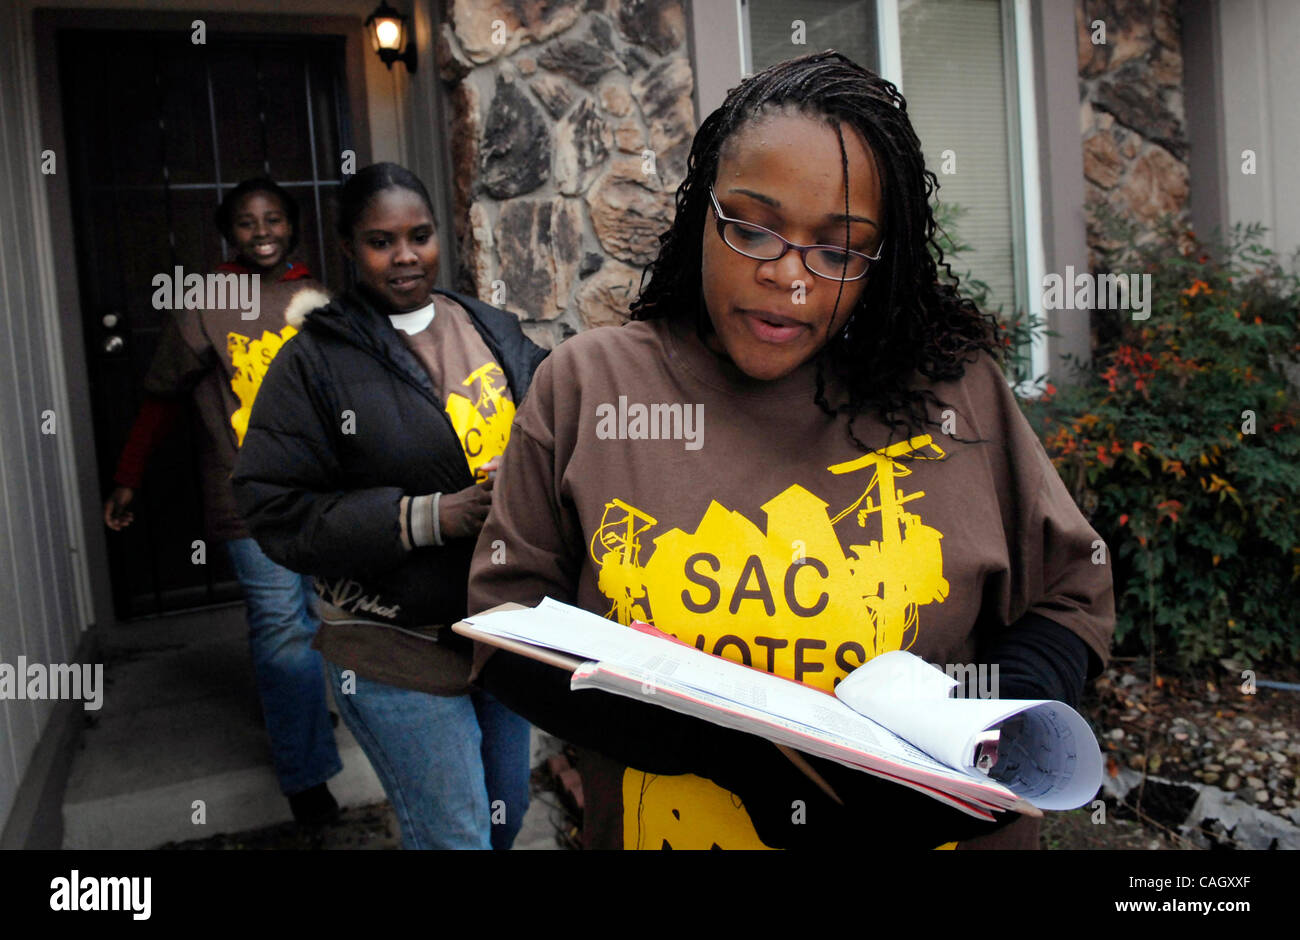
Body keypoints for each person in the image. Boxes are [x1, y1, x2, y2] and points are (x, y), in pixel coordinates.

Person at [466, 51, 1115, 850]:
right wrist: (746, 757)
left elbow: (1070, 594)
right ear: (700, 212)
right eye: (752, 227)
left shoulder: (955, 397)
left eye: (838, 250)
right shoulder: (590, 389)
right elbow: (505, 627)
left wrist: (984, 739)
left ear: (882, 261)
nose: (791, 278)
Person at [231, 162, 546, 850]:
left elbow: (561, 421)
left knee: (506, 815)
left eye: (420, 235)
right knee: (457, 839)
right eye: (381, 241)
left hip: (499, 631)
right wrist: (430, 516)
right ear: (348, 247)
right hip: (392, 648)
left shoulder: (490, 328)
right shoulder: (314, 362)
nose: (405, 255)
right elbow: (272, 506)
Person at [104, 178, 343, 826]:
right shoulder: (207, 301)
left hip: (320, 490)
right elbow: (161, 395)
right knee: (280, 627)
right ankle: (305, 780)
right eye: (245, 222)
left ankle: (298, 717)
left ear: (292, 225)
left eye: (273, 218)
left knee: (314, 618)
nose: (261, 230)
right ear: (227, 233)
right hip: (248, 492)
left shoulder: (318, 296)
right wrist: (129, 477)